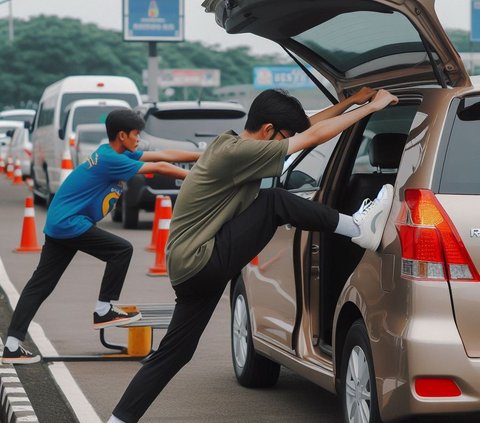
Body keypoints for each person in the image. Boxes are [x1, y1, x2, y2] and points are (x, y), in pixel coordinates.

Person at [108, 87, 398, 423]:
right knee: (274, 202)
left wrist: (351, 102)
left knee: (175, 354)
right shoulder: (240, 153)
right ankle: (359, 227)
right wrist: (372, 107)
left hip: (190, 266)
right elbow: (313, 136)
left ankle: (119, 419)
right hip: (203, 259)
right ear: (267, 130)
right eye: (282, 138)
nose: (284, 144)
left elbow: (307, 129)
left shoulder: (231, 143)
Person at [1, 109, 201, 364]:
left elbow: (165, 155)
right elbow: (162, 166)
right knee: (121, 250)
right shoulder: (111, 159)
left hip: (61, 223)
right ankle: (104, 309)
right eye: (136, 134)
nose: (139, 139)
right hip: (70, 223)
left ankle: (12, 346)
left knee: (40, 286)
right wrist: (200, 177)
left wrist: (206, 155)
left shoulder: (117, 153)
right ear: (122, 135)